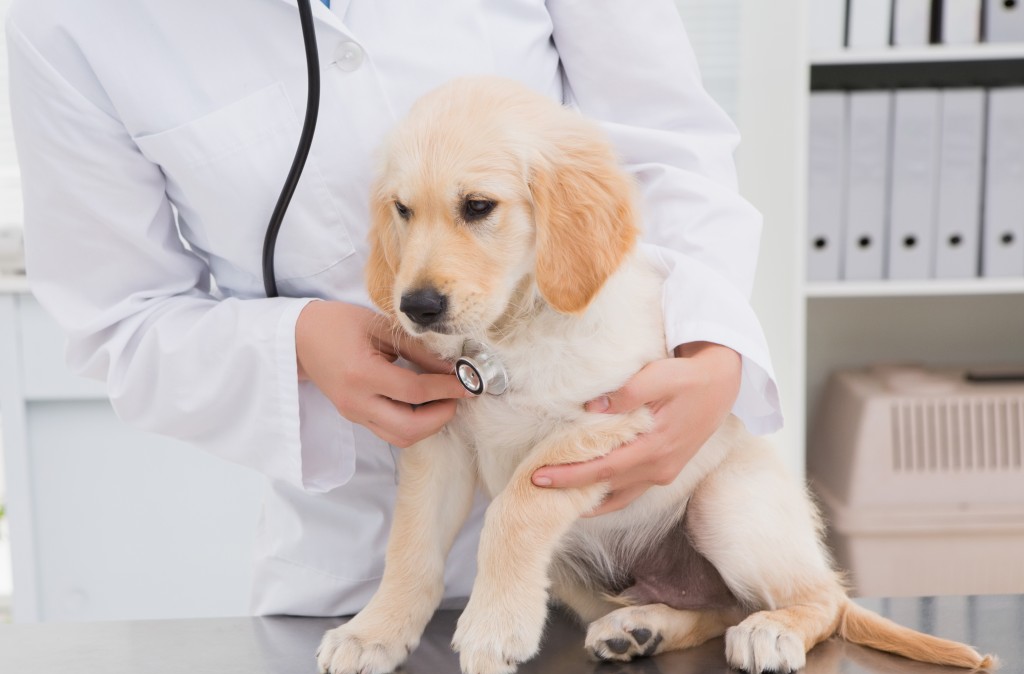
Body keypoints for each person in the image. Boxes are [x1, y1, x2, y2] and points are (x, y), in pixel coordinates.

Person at [6, 0, 780, 617]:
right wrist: (297, 342)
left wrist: (712, 353)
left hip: (619, 491)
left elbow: (669, 151)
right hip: (358, 561)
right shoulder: (68, 18)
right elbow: (121, 320)